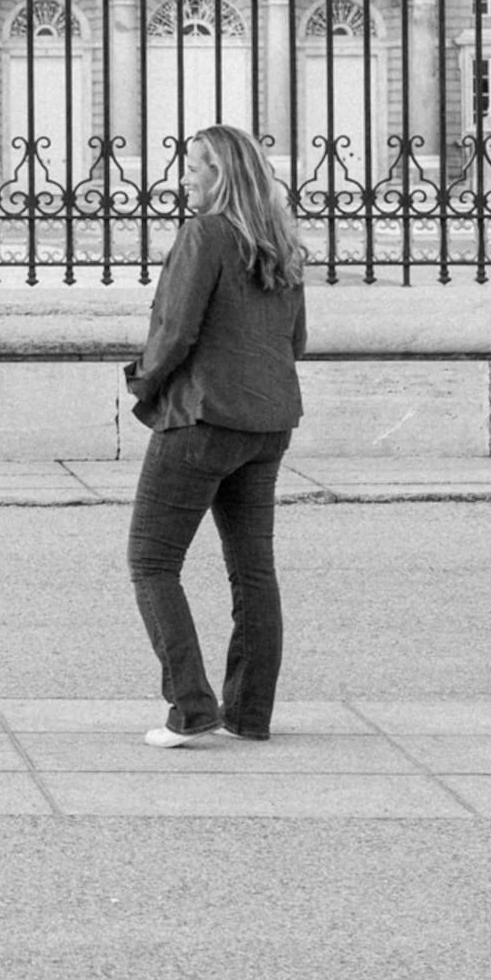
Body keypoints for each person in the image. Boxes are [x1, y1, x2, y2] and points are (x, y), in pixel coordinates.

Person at [123, 125, 308, 748]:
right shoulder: (281, 242)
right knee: (253, 571)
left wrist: (143, 384)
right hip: (268, 422)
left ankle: (191, 704)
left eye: (194, 168)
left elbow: (174, 331)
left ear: (220, 176)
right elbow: (296, 341)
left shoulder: (204, 234)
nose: (183, 178)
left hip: (203, 419)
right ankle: (250, 714)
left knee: (151, 561)